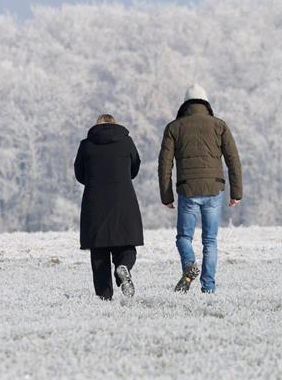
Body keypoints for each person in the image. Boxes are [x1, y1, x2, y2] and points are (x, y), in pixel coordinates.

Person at [158, 84, 243, 294]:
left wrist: (166, 195)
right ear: (206, 103)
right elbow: (234, 160)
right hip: (214, 188)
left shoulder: (174, 127)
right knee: (210, 241)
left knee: (184, 238)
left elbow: (165, 164)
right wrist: (236, 193)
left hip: (187, 189)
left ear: (185, 105)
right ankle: (208, 287)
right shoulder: (219, 125)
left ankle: (189, 264)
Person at [74, 114, 144, 300]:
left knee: (99, 252)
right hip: (123, 200)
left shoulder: (86, 145)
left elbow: (79, 174)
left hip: (94, 202)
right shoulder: (126, 142)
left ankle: (104, 296)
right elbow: (135, 167)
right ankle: (124, 267)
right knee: (126, 245)